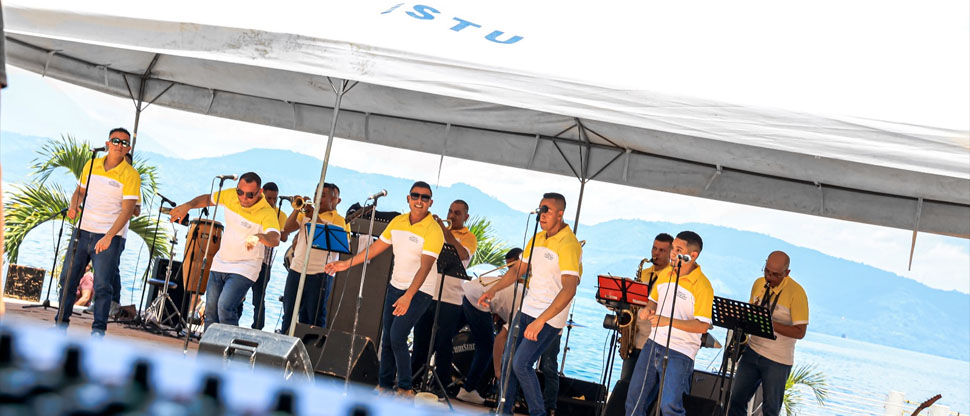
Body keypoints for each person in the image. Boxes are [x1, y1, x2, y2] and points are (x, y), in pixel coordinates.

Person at [325, 181, 443, 397]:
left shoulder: (434, 230)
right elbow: (374, 250)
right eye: (415, 196)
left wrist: (408, 296)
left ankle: (406, 388)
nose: (419, 201)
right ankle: (385, 385)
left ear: (430, 202)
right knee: (388, 337)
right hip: (395, 286)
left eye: (424, 198)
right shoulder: (398, 222)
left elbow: (425, 268)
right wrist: (344, 264)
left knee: (398, 336)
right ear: (408, 198)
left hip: (419, 291)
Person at [479, 192, 582, 416]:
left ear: (561, 214)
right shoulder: (537, 237)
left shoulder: (569, 244)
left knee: (521, 364)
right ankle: (503, 411)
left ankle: (539, 413)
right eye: (541, 209)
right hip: (527, 310)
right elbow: (517, 270)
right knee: (508, 363)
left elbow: (569, 289)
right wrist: (493, 290)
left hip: (549, 317)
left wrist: (541, 321)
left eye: (547, 210)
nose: (542, 214)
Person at [54, 128, 140, 337]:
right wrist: (74, 205)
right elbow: (80, 192)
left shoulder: (131, 175)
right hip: (82, 231)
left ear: (128, 148)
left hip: (109, 237)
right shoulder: (91, 164)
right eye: (116, 141)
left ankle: (98, 331)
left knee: (102, 286)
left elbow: (128, 211)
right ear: (107, 143)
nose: (120, 145)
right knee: (67, 279)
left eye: (124, 143)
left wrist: (109, 237)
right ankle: (60, 325)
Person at [168, 172, 281, 330]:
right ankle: (208, 350)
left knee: (225, 307)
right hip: (221, 262)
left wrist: (259, 236)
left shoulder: (266, 212)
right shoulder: (230, 196)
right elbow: (207, 199)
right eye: (240, 192)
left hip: (245, 267)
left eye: (249, 195)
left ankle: (228, 350)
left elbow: (275, 238)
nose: (243, 198)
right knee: (211, 311)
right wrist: (188, 206)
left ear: (259, 192)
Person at [625, 231, 714, 416]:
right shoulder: (666, 273)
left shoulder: (703, 286)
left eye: (678, 249)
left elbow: (702, 326)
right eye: (673, 248)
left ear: (693, 255)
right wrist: (648, 309)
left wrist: (668, 321)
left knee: (669, 407)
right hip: (653, 344)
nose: (672, 253)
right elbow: (654, 300)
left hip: (680, 352)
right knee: (634, 400)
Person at [729, 251, 809, 416]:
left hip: (778, 360)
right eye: (766, 271)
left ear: (787, 273)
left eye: (775, 275)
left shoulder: (797, 293)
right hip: (752, 351)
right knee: (736, 400)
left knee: (771, 410)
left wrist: (770, 323)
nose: (769, 277)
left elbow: (800, 332)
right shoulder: (759, 283)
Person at [411, 199, 478, 395]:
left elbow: (463, 255)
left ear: (466, 217)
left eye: (457, 213)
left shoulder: (469, 237)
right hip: (427, 293)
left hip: (451, 299)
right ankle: (413, 380)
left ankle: (439, 387)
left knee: (443, 344)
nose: (451, 216)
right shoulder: (436, 232)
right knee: (420, 339)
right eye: (450, 211)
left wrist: (444, 231)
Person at [456, 248, 525, 404]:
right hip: (477, 300)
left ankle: (435, 379)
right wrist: (498, 371)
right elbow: (501, 339)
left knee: (447, 335)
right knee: (486, 347)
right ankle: (468, 389)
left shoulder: (520, 289)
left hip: (469, 292)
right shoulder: (523, 304)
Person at [280, 183, 348, 331]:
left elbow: (339, 244)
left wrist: (314, 217)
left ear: (334, 200)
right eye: (317, 194)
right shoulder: (305, 213)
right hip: (296, 269)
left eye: (323, 196)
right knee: (289, 313)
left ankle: (310, 351)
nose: (318, 198)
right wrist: (296, 210)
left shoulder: (339, 220)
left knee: (313, 318)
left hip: (320, 274)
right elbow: (287, 228)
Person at [619, 233, 674, 382]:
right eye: (654, 248)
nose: (656, 253)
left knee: (642, 385)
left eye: (662, 250)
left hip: (653, 340)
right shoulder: (644, 273)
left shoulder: (672, 277)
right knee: (625, 382)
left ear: (671, 253)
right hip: (634, 338)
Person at [243, 181, 288, 330]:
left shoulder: (280, 214)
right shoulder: (255, 210)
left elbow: (283, 238)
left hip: (265, 262)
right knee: (239, 293)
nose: (272, 202)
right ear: (262, 195)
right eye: (269, 198)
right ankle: (234, 322)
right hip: (247, 259)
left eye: (275, 199)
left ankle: (257, 327)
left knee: (259, 298)